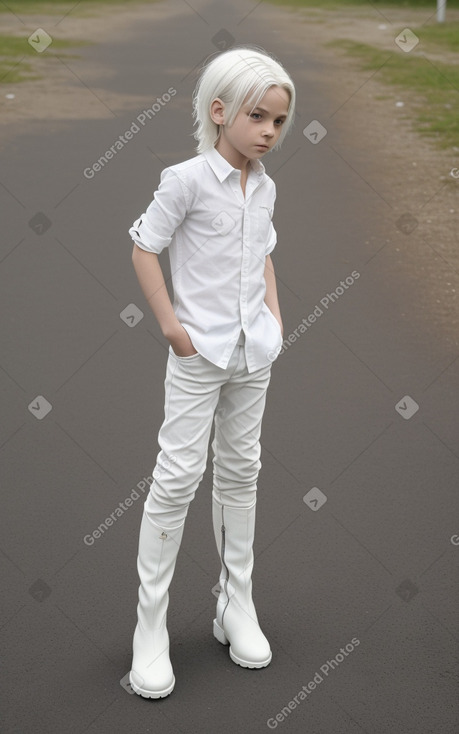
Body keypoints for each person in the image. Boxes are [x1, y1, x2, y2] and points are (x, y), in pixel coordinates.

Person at [128, 44, 296, 699]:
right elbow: (145, 246)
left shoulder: (266, 185)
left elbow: (264, 256)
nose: (269, 132)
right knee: (176, 477)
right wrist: (173, 329)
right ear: (219, 111)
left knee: (241, 470)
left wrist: (274, 320)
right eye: (258, 116)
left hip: (253, 354)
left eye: (279, 121)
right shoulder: (186, 179)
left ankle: (236, 604)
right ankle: (149, 628)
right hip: (200, 355)